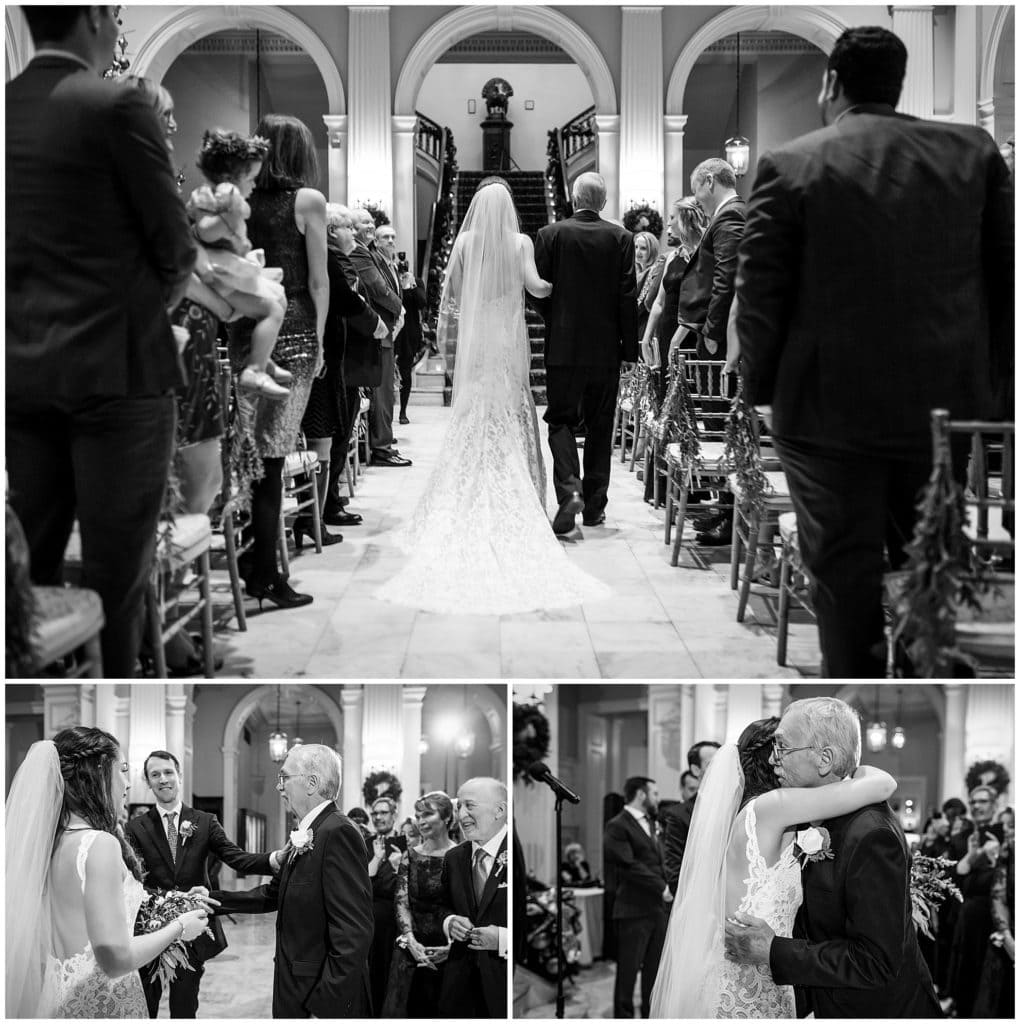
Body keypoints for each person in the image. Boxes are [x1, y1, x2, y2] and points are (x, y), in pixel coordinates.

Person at [736, 26, 1014, 677]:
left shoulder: (790, 163)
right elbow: (1006, 281)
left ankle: (858, 680)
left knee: (846, 580)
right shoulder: (972, 152)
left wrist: (763, 393)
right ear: (898, 83)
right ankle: (923, 671)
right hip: (945, 410)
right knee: (930, 570)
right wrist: (995, 391)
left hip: (828, 414)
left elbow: (759, 298)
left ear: (831, 84)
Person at [6, 6, 196, 678]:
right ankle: (115, 689)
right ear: (92, 17)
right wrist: (152, 300)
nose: (116, 28)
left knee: (31, 566)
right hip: (118, 374)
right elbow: (176, 248)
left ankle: (45, 677)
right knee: (117, 573)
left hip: (22, 374)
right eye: (114, 16)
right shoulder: (118, 105)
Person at [376, 177, 609, 614]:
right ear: (509, 209)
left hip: (478, 337)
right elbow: (537, 287)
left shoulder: (464, 241)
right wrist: (570, 290)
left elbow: (456, 296)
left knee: (475, 407)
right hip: (507, 337)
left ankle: (469, 475)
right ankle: (516, 475)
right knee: (511, 402)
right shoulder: (520, 242)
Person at [718, 697, 938, 1018]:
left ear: (824, 759)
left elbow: (875, 961)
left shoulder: (871, 834)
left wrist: (774, 950)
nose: (773, 760)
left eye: (783, 748)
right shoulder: (807, 816)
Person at [6, 727, 211, 1018]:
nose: (128, 783)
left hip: (60, 997)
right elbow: (115, 958)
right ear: (99, 773)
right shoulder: (98, 845)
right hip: (103, 1001)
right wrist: (179, 926)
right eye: (123, 769)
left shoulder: (51, 844)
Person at [229, 114, 328, 611]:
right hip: (294, 333)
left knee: (251, 452)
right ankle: (264, 574)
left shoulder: (237, 200)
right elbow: (317, 282)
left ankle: (250, 558)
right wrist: (322, 339)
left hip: (243, 332)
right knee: (271, 458)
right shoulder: (307, 202)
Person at [212, 745, 374, 1018]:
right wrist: (213, 899)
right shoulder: (311, 831)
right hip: (295, 985)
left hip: (317, 995)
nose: (279, 787)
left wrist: (324, 1007)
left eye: (284, 777)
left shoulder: (338, 832)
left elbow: (353, 934)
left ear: (311, 783)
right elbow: (273, 894)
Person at [125, 749, 285, 1018]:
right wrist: (164, 904)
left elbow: (237, 858)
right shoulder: (136, 827)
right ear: (148, 781)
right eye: (155, 774)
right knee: (145, 1007)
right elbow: (133, 880)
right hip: (151, 930)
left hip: (194, 929)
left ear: (179, 775)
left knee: (185, 1008)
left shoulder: (204, 821)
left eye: (168, 772)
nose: (163, 779)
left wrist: (273, 859)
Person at [536, 171, 639, 533]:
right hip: (607, 349)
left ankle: (569, 492)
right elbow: (628, 296)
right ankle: (595, 507)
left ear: (575, 200)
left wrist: (556, 318)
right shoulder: (622, 238)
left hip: (563, 347)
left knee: (560, 419)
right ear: (603, 203)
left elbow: (537, 290)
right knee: (600, 424)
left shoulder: (551, 235)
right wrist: (630, 349)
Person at [187, 128, 290, 400]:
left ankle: (262, 358)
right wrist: (228, 223)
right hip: (220, 275)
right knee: (271, 311)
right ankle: (254, 369)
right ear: (231, 178)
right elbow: (205, 231)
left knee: (278, 301)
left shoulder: (224, 197)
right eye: (251, 179)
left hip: (228, 269)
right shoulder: (219, 199)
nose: (254, 186)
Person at [313, 203, 387, 532]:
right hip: (343, 355)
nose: (353, 233)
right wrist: (377, 325)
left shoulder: (331, 255)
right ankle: (329, 503)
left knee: (340, 427)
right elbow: (350, 299)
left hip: (345, 354)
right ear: (332, 231)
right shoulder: (334, 257)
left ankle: (331, 499)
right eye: (347, 227)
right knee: (338, 430)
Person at [381, 791, 459, 1018]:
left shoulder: (459, 856)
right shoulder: (411, 856)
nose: (420, 821)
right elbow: (401, 901)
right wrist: (410, 938)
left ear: (446, 817)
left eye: (427, 814)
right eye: (417, 815)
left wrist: (451, 948)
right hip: (410, 947)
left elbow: (465, 909)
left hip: (445, 948)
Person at [438, 777, 509, 1018]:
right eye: (459, 806)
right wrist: (449, 922)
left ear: (499, 810)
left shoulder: (515, 853)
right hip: (459, 984)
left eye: (470, 805)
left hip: (502, 982)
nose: (461, 814)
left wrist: (501, 938)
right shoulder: (454, 858)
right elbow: (440, 906)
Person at [603, 776, 670, 1018]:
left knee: (654, 971)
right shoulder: (617, 825)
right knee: (628, 972)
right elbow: (628, 865)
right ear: (641, 794)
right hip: (633, 909)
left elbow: (660, 861)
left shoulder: (653, 824)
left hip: (658, 910)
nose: (658, 799)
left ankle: (650, 1016)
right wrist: (662, 887)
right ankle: (623, 1017)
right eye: (655, 793)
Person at [349, 209, 410, 467]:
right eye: (365, 222)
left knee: (384, 392)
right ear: (351, 227)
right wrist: (400, 309)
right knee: (382, 393)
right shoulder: (360, 252)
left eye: (372, 222)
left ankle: (384, 442)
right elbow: (378, 289)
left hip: (384, 329)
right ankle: (381, 447)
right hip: (377, 329)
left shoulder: (370, 252)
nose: (370, 226)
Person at [375, 224, 427, 426]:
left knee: (405, 372)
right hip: (391, 329)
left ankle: (403, 411)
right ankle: (384, 418)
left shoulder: (416, 281)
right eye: (385, 237)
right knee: (385, 374)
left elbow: (422, 303)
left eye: (392, 237)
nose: (390, 241)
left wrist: (411, 286)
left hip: (409, 333)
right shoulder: (390, 275)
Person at [662, 739, 720, 894]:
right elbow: (675, 872)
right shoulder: (679, 815)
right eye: (712, 763)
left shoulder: (739, 805)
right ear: (696, 769)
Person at [367, 795, 407, 1014]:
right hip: (368, 921)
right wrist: (375, 860)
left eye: (384, 813)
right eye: (375, 813)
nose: (379, 817)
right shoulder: (364, 843)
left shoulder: (405, 844)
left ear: (394, 815)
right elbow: (360, 883)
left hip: (394, 921)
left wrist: (397, 867)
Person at [633, 230, 661, 341]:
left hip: (647, 325)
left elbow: (642, 303)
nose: (638, 252)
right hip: (637, 324)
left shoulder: (654, 271)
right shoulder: (636, 272)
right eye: (636, 247)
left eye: (643, 248)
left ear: (652, 250)